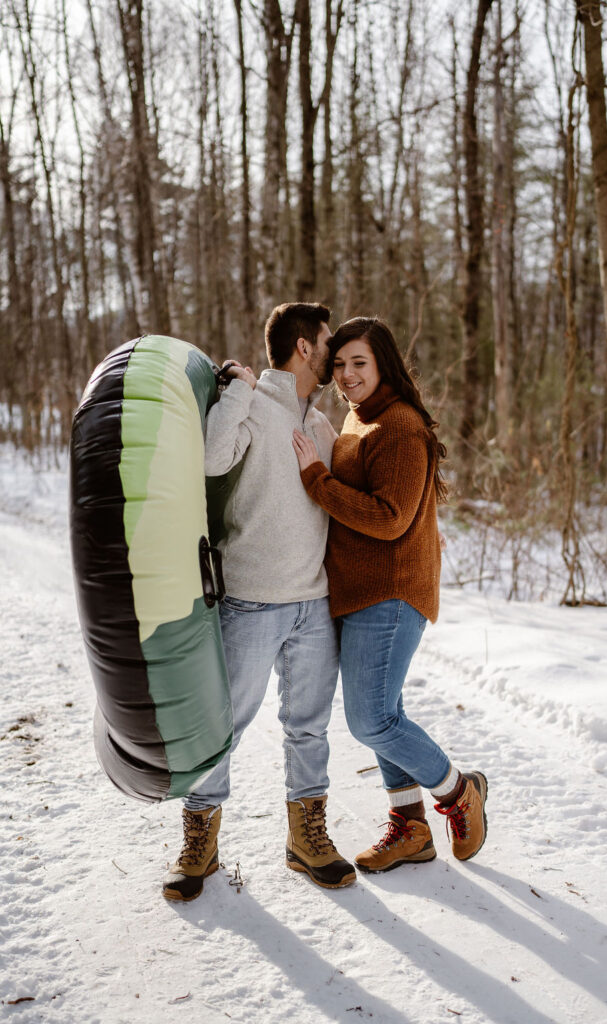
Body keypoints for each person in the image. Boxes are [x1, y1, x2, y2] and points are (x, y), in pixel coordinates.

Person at [163, 302, 355, 901]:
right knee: (222, 726)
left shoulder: (321, 426)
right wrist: (237, 394)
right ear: (304, 348)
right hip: (249, 600)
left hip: (313, 605)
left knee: (309, 728)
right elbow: (212, 460)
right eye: (328, 343)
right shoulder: (249, 404)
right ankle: (200, 842)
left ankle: (307, 839)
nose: (333, 355)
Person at [292, 317, 488, 873]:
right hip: (360, 591)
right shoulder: (360, 419)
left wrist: (316, 479)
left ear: (383, 365)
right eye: (340, 364)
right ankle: (410, 828)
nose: (348, 374)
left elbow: (390, 518)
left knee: (371, 719)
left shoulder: (398, 426)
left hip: (392, 591)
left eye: (360, 363)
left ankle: (457, 792)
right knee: (385, 711)